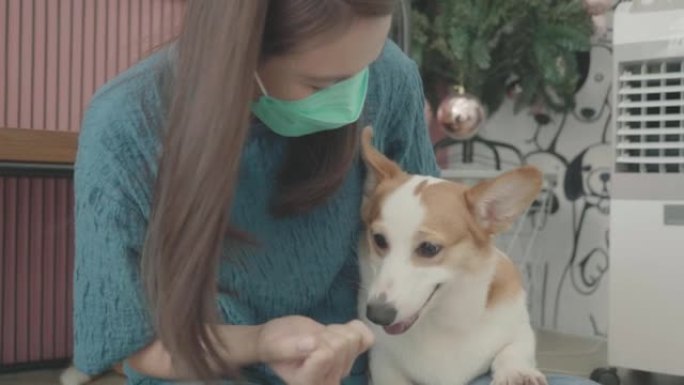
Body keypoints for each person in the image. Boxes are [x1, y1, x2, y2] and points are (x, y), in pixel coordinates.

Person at [71, 1, 600, 385]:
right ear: (242, 55)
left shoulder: (389, 77)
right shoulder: (127, 127)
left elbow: (423, 234)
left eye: (364, 71)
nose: (354, 102)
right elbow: (129, 346)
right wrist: (260, 341)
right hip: (205, 371)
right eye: (323, 85)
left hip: (369, 367)